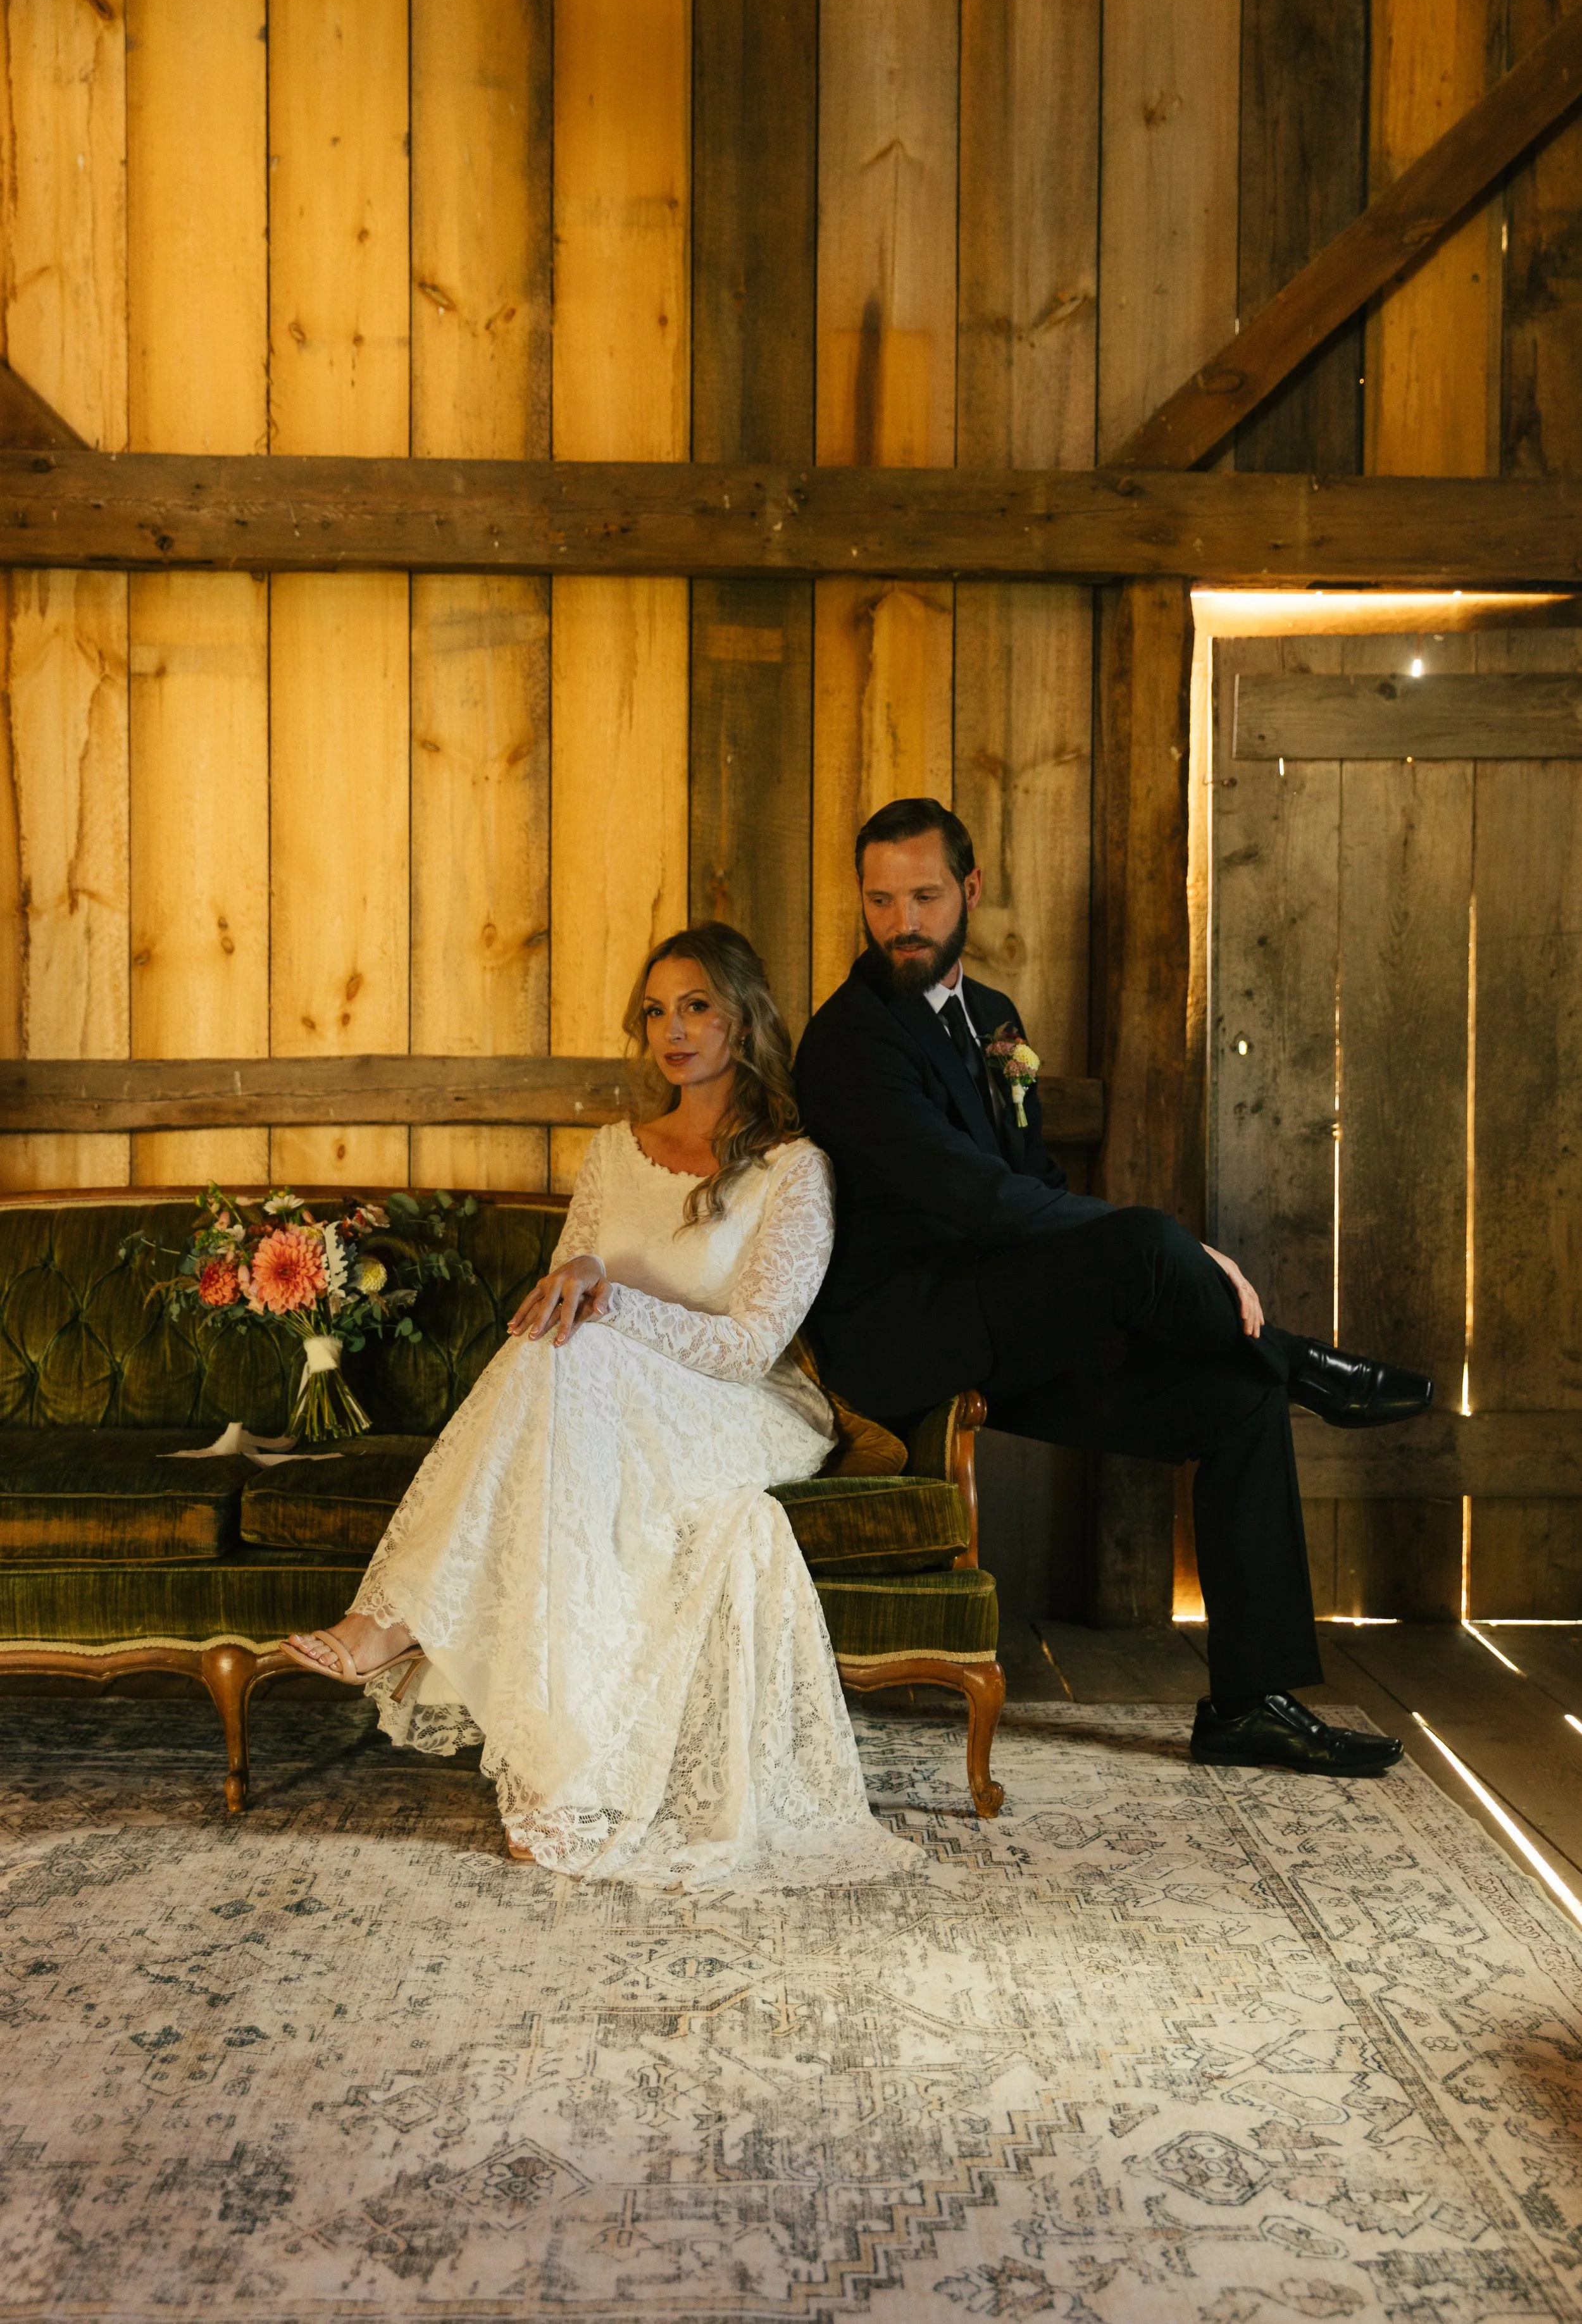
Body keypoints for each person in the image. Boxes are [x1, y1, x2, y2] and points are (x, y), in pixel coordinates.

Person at [794, 797, 1434, 1779]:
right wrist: (1184, 1255)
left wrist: (1135, 1262)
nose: (903, 921)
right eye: (881, 899)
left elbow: (1036, 1186)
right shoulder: (849, 1041)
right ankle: (1303, 1360)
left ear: (969, 889)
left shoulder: (995, 1019)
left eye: (924, 895)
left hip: (1007, 1317)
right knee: (1141, 1241)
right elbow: (972, 1194)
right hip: (906, 1340)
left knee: (1237, 1398)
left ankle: (1248, 1703)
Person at [287, 924, 910, 1889]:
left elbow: (749, 1347)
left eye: (697, 1005)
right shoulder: (613, 1151)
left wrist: (611, 1295)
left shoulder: (794, 1170)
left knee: (575, 1352)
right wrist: (581, 1279)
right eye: (656, 1011)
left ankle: (402, 1610)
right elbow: (561, 1307)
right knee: (553, 1357)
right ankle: (554, 1778)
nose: (674, 1029)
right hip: (601, 1401)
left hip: (739, 1407)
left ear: (745, 1016)